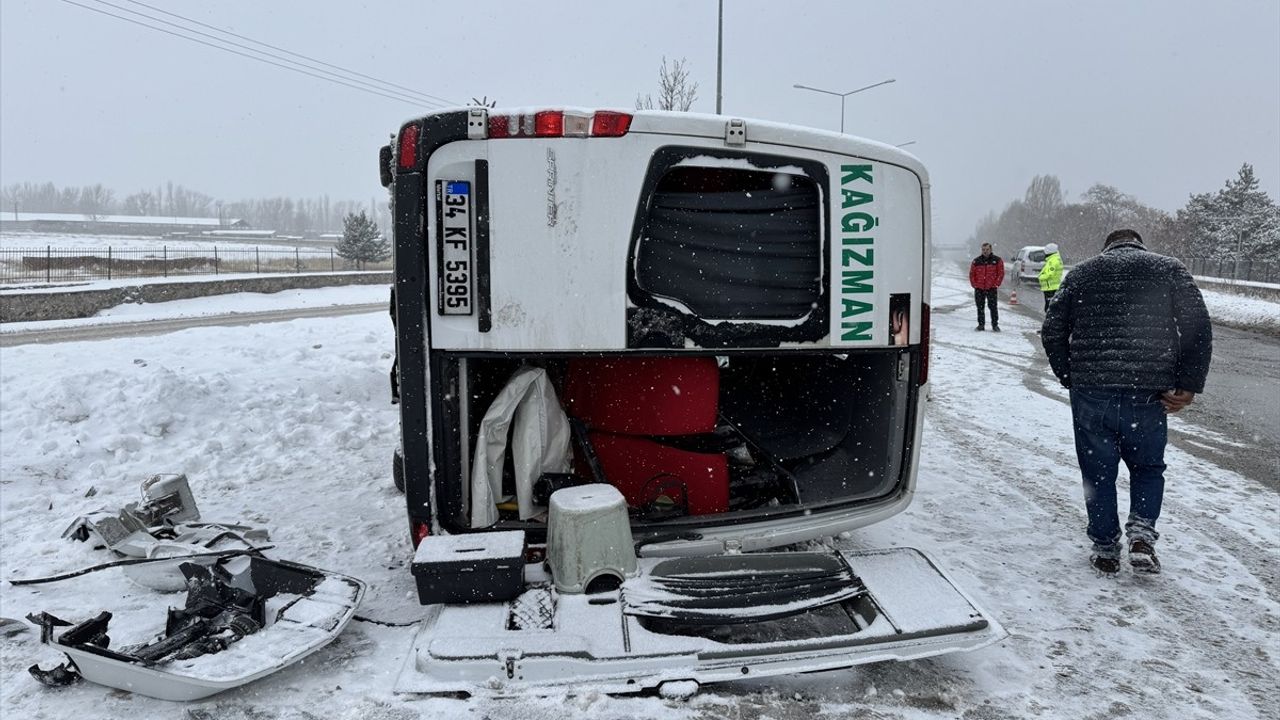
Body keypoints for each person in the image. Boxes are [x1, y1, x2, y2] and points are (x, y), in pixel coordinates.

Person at [1041, 229, 1212, 575]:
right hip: (1148, 393)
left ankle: (1105, 548)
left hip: (1093, 392)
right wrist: (1188, 384)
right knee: (1148, 467)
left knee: (1098, 473)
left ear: (1107, 247)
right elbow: (1198, 326)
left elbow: (1052, 329)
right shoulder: (1169, 270)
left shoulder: (1082, 274)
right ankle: (1142, 538)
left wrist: (1069, 375)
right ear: (1139, 245)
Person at [969, 242, 1004, 331]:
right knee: (980, 307)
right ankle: (981, 325)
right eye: (983, 250)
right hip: (979, 288)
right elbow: (972, 274)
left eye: (987, 249)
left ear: (991, 250)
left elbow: (1001, 273)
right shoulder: (976, 261)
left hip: (991, 288)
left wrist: (996, 284)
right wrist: (974, 284)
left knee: (993, 307)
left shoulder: (997, 260)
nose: (985, 251)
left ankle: (995, 325)